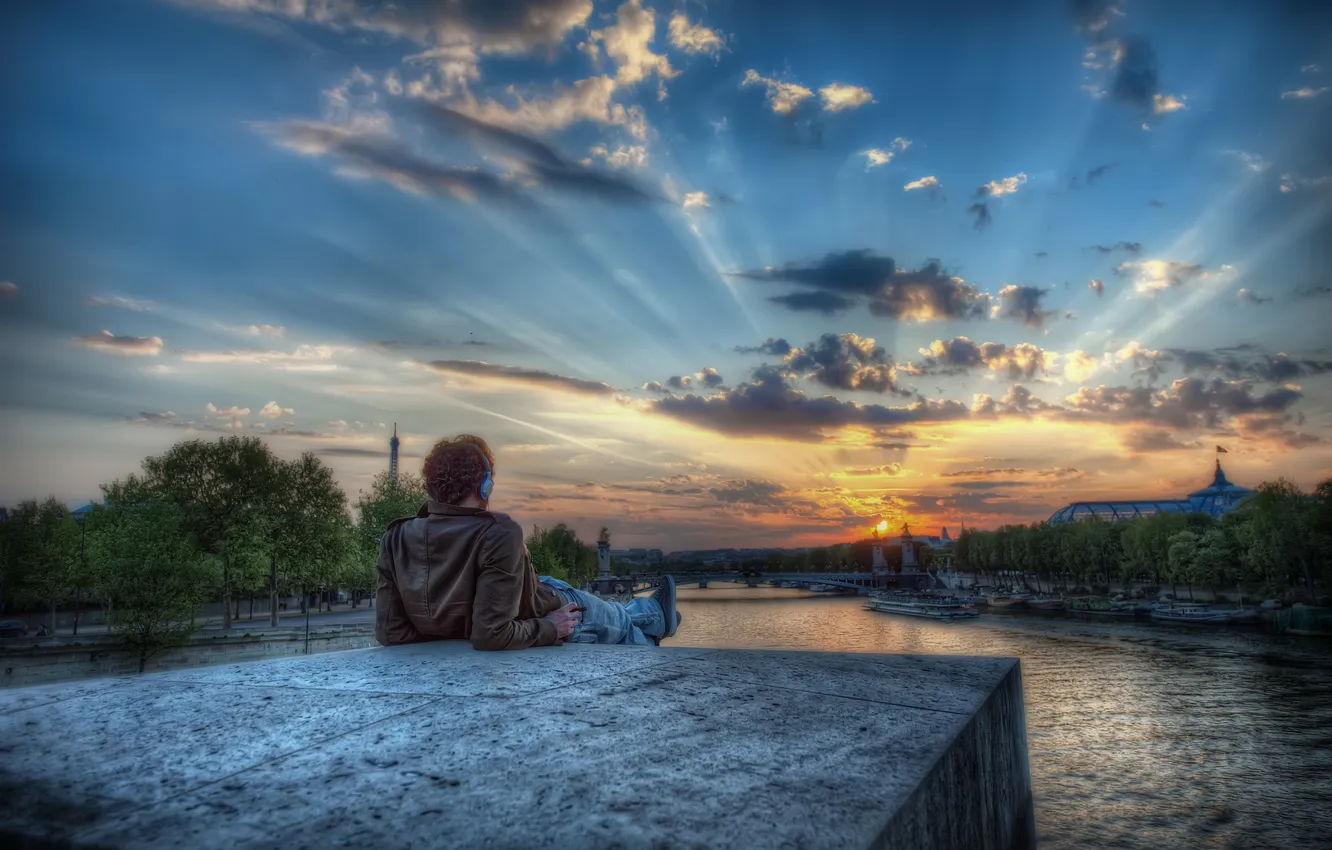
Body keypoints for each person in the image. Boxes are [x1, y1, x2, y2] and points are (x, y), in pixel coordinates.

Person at [375, 434, 681, 651]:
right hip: (546, 607)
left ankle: (651, 615)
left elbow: (391, 632)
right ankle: (652, 623)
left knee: (555, 585)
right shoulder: (498, 532)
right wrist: (550, 627)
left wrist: (449, 629)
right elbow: (492, 634)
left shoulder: (395, 536)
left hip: (531, 588)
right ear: (485, 486)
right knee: (616, 623)